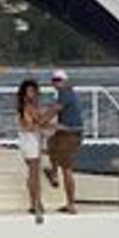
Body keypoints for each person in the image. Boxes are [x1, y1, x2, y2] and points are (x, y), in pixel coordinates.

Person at [15, 78, 56, 215]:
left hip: (30, 140)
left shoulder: (30, 106)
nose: (32, 94)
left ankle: (35, 202)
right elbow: (29, 125)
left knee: (33, 173)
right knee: (34, 174)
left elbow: (35, 123)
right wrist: (45, 127)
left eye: (34, 91)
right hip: (30, 141)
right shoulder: (27, 107)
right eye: (30, 91)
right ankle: (36, 203)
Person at [47, 69, 83, 214]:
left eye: (59, 80)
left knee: (67, 168)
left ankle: (71, 204)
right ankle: (53, 173)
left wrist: (39, 121)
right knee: (51, 142)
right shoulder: (66, 93)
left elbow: (54, 110)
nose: (56, 83)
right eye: (54, 80)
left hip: (70, 133)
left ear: (65, 81)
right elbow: (53, 110)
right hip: (65, 131)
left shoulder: (65, 94)